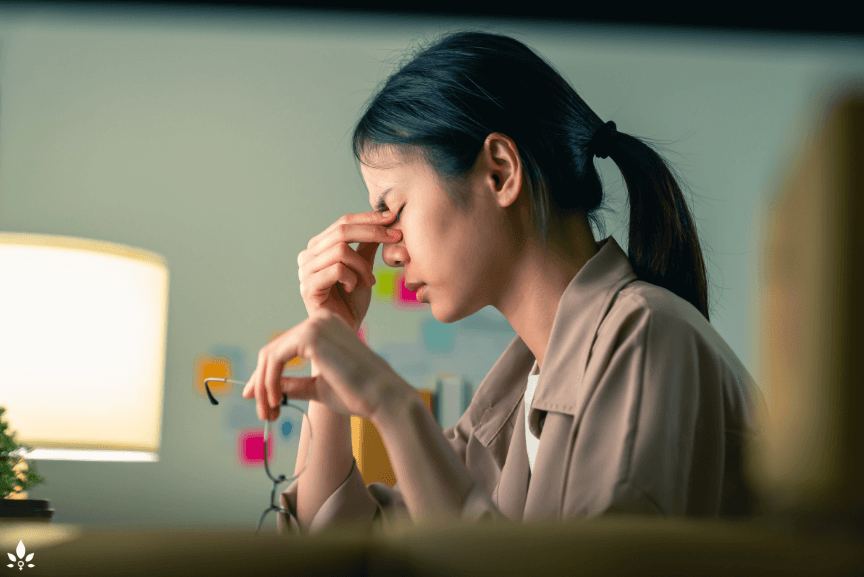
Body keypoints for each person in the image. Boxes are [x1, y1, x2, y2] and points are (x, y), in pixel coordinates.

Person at [242, 30, 763, 535]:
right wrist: (332, 332)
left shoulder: (645, 334)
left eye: (392, 210)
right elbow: (348, 543)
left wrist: (394, 404)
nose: (389, 252)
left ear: (499, 172)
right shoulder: (512, 396)